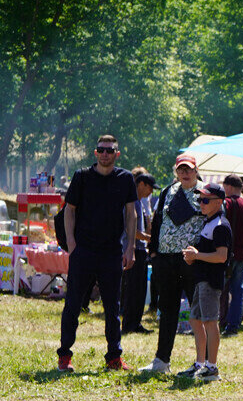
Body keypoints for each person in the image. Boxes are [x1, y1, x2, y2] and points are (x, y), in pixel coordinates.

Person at [56, 134, 138, 372]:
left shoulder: (125, 179)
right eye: (101, 150)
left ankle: (114, 357)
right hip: (83, 250)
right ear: (95, 153)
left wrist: (130, 246)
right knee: (73, 304)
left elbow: (131, 213)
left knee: (113, 307)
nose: (105, 154)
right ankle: (64, 356)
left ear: (117, 154)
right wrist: (72, 243)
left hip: (112, 251)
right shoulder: (82, 177)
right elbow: (69, 210)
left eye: (109, 151)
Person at [139, 154, 203, 375]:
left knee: (198, 312)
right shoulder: (167, 191)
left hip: (192, 260)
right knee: (167, 310)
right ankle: (161, 360)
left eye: (189, 169)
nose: (185, 173)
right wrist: (154, 252)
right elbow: (157, 222)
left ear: (196, 170)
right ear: (176, 171)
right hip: (166, 260)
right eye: (181, 169)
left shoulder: (205, 193)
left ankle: (202, 363)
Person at [177, 183, 231, 382]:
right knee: (195, 320)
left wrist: (197, 255)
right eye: (200, 199)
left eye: (205, 200)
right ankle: (200, 364)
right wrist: (194, 256)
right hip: (201, 279)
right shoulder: (209, 222)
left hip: (210, 280)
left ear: (218, 202)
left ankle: (212, 367)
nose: (201, 203)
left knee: (209, 321)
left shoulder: (220, 226)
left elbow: (221, 256)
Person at [219, 174, 243, 337]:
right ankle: (234, 326)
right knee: (238, 291)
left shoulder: (225, 204)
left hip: (225, 253)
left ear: (228, 186)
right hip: (242, 253)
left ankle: (220, 321)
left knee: (221, 289)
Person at [120, 172, 155, 335]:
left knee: (139, 290)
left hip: (140, 249)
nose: (151, 192)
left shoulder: (139, 203)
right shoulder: (131, 202)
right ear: (141, 184)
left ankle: (136, 322)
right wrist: (149, 238)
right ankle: (129, 323)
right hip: (132, 249)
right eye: (150, 188)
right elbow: (130, 229)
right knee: (133, 289)